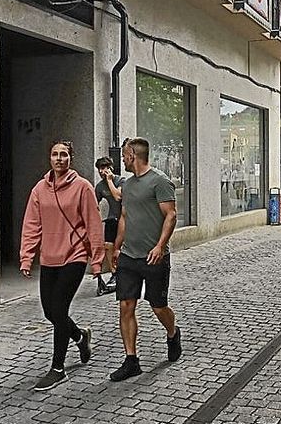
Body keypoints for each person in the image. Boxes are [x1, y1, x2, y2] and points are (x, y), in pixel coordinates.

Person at [20, 140, 105, 391]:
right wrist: (27, 256)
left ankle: (58, 368)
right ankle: (80, 336)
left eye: (64, 154)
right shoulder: (39, 189)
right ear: (50, 158)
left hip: (74, 256)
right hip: (49, 257)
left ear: (71, 158)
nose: (59, 158)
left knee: (59, 309)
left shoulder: (82, 187)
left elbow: (93, 224)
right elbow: (32, 225)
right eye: (55, 154)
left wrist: (97, 261)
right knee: (50, 312)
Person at [110, 137, 182, 382]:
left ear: (132, 154)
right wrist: (117, 248)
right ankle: (131, 361)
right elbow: (124, 217)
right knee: (126, 306)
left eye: (123, 154)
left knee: (158, 306)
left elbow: (171, 216)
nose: (122, 158)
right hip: (130, 256)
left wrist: (160, 247)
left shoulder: (160, 182)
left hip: (154, 257)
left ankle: (173, 333)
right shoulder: (127, 185)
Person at [94, 156, 126, 293]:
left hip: (126, 219)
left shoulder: (121, 181)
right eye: (100, 169)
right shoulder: (100, 186)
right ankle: (114, 273)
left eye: (105, 168)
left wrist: (109, 180)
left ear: (111, 168)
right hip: (112, 218)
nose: (102, 171)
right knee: (108, 245)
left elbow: (118, 196)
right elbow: (94, 203)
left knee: (124, 248)